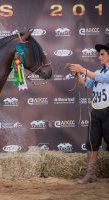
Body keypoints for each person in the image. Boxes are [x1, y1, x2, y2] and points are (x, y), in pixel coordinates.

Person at [69, 42, 109, 184]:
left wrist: (83, 69)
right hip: (96, 111)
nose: (99, 57)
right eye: (99, 54)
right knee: (92, 143)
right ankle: (90, 174)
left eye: (102, 54)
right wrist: (77, 74)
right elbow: (85, 83)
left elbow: (102, 78)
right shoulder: (98, 72)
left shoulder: (101, 74)